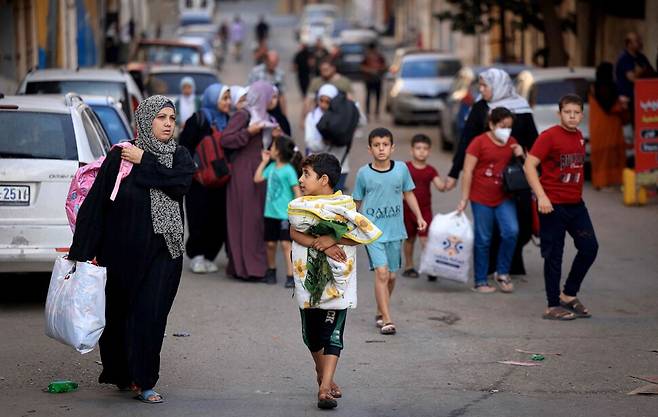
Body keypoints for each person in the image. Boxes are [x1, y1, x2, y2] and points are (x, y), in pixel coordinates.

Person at [68, 95, 195, 403]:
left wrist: (145, 161)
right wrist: (82, 252)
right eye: (161, 117)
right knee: (120, 315)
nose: (167, 123)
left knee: (151, 315)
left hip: (165, 251)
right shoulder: (121, 155)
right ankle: (123, 373)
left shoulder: (178, 156)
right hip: (121, 252)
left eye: (171, 118)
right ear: (145, 119)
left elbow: (178, 184)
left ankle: (145, 379)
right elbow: (97, 204)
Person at [288, 153, 381, 409]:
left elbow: (359, 236)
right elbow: (294, 231)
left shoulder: (345, 208)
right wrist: (323, 246)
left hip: (337, 283)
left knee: (333, 334)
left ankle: (325, 388)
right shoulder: (300, 206)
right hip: (309, 279)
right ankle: (322, 374)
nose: (301, 179)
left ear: (324, 179)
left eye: (306, 174)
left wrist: (334, 240)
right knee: (312, 335)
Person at [445, 68, 538, 277]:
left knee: (521, 223)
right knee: (490, 227)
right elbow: (466, 142)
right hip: (486, 175)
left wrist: (539, 170)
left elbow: (535, 142)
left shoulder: (521, 107)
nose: (482, 89)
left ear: (499, 85)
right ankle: (491, 267)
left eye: (485, 85)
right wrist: (454, 173)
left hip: (517, 176)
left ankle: (512, 263)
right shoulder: (480, 107)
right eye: (481, 85)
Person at [524, 94, 599, 320]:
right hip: (552, 205)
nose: (572, 116)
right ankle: (552, 304)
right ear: (560, 114)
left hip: (576, 206)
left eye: (576, 113)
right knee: (554, 255)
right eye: (568, 112)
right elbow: (529, 166)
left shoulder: (579, 136)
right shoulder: (549, 137)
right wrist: (542, 197)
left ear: (582, 115)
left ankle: (568, 294)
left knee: (589, 248)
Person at [353, 128, 427, 335]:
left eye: (385, 144)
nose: (381, 149)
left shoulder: (401, 169)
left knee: (392, 277)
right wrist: (347, 226)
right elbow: (356, 202)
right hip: (372, 232)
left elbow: (409, 194)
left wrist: (419, 217)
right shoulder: (363, 174)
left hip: (395, 231)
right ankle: (387, 319)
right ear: (370, 149)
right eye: (376, 145)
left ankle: (380, 309)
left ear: (392, 147)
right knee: (382, 273)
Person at [457, 107, 524, 293]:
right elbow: (468, 172)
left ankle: (502, 272)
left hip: (504, 196)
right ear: (492, 124)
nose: (506, 130)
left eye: (509, 127)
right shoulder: (478, 143)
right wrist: (464, 198)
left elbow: (525, 168)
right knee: (483, 238)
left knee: (511, 231)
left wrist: (521, 154)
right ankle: (480, 280)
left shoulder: (512, 143)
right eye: (502, 126)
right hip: (481, 197)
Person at [222, 80, 283, 281]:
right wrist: (249, 132)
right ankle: (245, 268)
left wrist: (277, 138)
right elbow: (226, 139)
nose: (275, 100)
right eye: (272, 96)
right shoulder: (244, 115)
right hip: (244, 172)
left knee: (257, 220)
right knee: (246, 219)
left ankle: (256, 265)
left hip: (261, 171)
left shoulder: (268, 118)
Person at [178, 84, 231, 274]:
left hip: (221, 180)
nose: (228, 102)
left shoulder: (228, 121)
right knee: (198, 216)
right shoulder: (198, 119)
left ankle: (209, 256)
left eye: (228, 98)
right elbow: (184, 146)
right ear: (213, 99)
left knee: (218, 218)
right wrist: (193, 169)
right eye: (224, 98)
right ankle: (197, 255)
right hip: (199, 181)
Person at [254, 136, 302, 287]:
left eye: (273, 147)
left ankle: (290, 275)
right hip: (270, 214)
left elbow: (297, 192)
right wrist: (264, 161)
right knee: (270, 244)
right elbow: (257, 179)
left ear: (279, 151)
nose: (270, 149)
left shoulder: (289, 171)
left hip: (284, 215)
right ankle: (271, 270)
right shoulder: (271, 167)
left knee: (286, 244)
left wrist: (297, 210)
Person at [401, 134, 446, 281]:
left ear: (429, 151)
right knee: (410, 239)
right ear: (411, 150)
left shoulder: (430, 170)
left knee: (426, 239)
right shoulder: (405, 168)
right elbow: (396, 184)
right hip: (407, 210)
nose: (421, 151)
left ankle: (430, 267)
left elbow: (440, 186)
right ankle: (409, 266)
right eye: (418, 148)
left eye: (425, 149)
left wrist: (450, 181)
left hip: (425, 211)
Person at [304, 84, 360, 191]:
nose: (324, 105)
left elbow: (360, 121)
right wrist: (325, 142)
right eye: (321, 100)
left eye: (328, 101)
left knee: (335, 204)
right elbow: (310, 143)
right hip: (317, 170)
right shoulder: (311, 117)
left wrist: (353, 106)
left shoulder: (345, 115)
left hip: (340, 167)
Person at [589, 62, 628, 189]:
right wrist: (621, 105)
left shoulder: (593, 87)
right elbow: (609, 106)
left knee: (601, 156)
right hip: (610, 127)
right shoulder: (608, 87)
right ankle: (613, 180)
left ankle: (600, 181)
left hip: (597, 127)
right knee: (612, 154)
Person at [615, 32, 655, 106]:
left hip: (643, 98)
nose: (640, 43)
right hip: (627, 99)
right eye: (637, 41)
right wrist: (641, 71)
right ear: (629, 44)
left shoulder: (642, 57)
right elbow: (632, 78)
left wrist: (642, 71)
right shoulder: (624, 58)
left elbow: (651, 73)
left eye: (640, 40)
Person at [248, 50, 288, 116]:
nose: (273, 65)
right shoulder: (256, 72)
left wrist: (284, 114)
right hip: (258, 107)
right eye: (271, 63)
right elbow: (249, 90)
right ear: (266, 61)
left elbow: (281, 96)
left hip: (274, 108)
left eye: (275, 63)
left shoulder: (280, 74)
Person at [360, 42, 387, 118]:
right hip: (369, 80)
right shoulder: (366, 57)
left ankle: (376, 112)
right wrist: (370, 70)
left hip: (377, 79)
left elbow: (385, 67)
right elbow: (361, 67)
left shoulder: (379, 57)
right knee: (369, 96)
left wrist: (378, 69)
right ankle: (368, 112)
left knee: (377, 96)